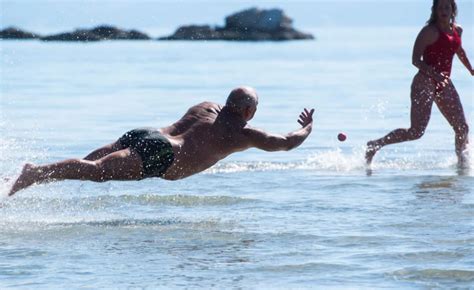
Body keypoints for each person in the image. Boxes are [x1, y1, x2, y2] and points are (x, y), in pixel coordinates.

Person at [8, 86, 314, 196]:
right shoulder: (242, 133)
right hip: (162, 155)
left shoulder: (205, 106)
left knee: (90, 167)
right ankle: (33, 173)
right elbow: (286, 142)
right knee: (94, 171)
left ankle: (24, 180)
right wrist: (307, 129)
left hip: (148, 134)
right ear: (250, 110)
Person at [365, 0, 472, 168]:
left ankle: (462, 167)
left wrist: (471, 69)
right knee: (416, 132)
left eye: (447, 6)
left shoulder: (457, 30)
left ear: (453, 9)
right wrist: (435, 75)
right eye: (440, 7)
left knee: (462, 128)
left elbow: (458, 49)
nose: (443, 10)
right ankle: (375, 144)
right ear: (435, 10)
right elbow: (415, 60)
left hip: (444, 82)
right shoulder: (429, 31)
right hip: (424, 82)